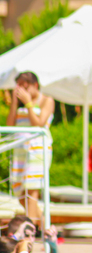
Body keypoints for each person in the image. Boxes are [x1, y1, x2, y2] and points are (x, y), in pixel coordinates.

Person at [6, 71, 55, 220]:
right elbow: (9, 126)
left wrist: (28, 104)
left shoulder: (47, 100)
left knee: (31, 190)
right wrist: (14, 102)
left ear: (35, 85)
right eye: (18, 86)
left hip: (37, 150)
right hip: (20, 150)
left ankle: (29, 231)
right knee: (21, 194)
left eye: (25, 87)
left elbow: (38, 124)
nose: (21, 90)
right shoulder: (19, 103)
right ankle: (46, 229)